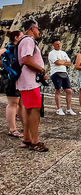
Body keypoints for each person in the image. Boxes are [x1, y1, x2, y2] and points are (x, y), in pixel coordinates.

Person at [16, 19, 48, 152]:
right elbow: (26, 59)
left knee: (28, 110)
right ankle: (35, 141)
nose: (39, 31)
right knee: (35, 110)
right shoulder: (28, 40)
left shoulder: (22, 41)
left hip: (26, 81)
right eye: (38, 28)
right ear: (32, 28)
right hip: (30, 81)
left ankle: (27, 138)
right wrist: (41, 70)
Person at [1, 31, 25, 138]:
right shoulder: (9, 50)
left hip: (18, 78)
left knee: (21, 103)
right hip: (11, 78)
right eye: (21, 36)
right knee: (13, 103)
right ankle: (12, 129)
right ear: (16, 38)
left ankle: (25, 126)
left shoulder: (15, 49)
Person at [48, 38, 75, 116]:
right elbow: (57, 62)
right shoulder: (52, 53)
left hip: (64, 72)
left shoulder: (63, 53)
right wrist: (63, 62)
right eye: (57, 44)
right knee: (58, 90)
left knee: (69, 91)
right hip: (56, 72)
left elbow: (69, 63)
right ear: (53, 45)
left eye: (59, 44)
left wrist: (62, 62)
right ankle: (58, 108)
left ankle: (69, 109)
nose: (59, 45)